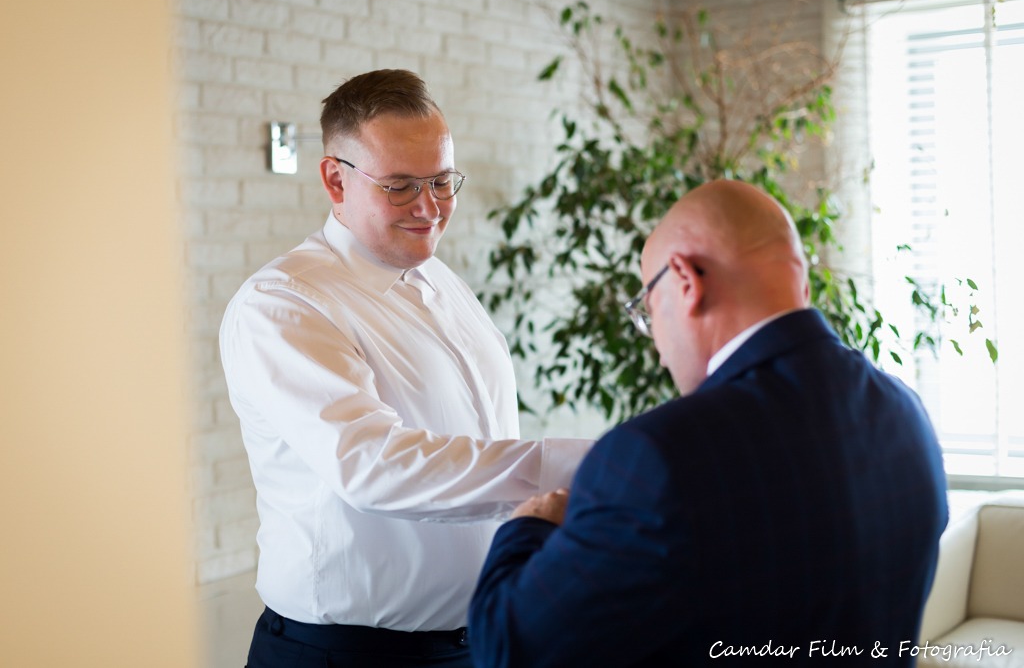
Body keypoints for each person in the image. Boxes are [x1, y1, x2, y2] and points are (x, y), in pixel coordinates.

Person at [468, 179, 949, 666]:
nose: (658, 352)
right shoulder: (906, 415)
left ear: (686, 280)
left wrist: (528, 525)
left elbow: (508, 651)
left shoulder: (657, 458)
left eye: (648, 311)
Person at [219, 69, 592, 668]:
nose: (429, 207)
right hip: (348, 655)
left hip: (478, 637)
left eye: (442, 181)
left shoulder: (440, 279)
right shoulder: (284, 304)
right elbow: (372, 465)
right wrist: (583, 464)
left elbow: (480, 435)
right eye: (399, 186)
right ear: (335, 180)